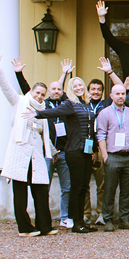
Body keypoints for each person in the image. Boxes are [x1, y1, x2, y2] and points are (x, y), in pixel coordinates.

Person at [28, 75, 98, 233]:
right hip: (74, 151)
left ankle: (82, 221)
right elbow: (53, 112)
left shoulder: (87, 104)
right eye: (75, 86)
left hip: (86, 151)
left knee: (84, 187)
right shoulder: (69, 104)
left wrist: (94, 150)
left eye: (80, 85)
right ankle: (76, 223)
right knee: (76, 187)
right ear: (70, 90)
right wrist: (37, 114)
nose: (79, 88)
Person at [12, 57, 72, 229]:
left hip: (61, 151)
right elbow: (28, 91)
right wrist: (19, 73)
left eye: (58, 89)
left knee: (63, 187)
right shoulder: (42, 105)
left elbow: (58, 89)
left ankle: (59, 219)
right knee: (42, 189)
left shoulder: (64, 103)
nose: (56, 91)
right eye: (52, 89)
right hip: (45, 153)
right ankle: (42, 222)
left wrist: (64, 75)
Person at [1, 58, 56, 237]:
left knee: (41, 191)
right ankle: (24, 228)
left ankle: (44, 226)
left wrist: (52, 152)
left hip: (36, 155)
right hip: (20, 153)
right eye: (37, 92)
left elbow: (44, 134)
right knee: (20, 193)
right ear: (31, 91)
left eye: (42, 94)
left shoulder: (43, 110)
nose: (39, 96)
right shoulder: (19, 101)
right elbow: (5, 87)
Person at [96, 84, 129, 231]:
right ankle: (107, 219)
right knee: (109, 190)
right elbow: (101, 135)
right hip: (112, 156)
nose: (121, 96)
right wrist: (105, 156)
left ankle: (124, 219)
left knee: (127, 191)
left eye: (123, 93)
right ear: (111, 96)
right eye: (118, 94)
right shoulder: (105, 113)